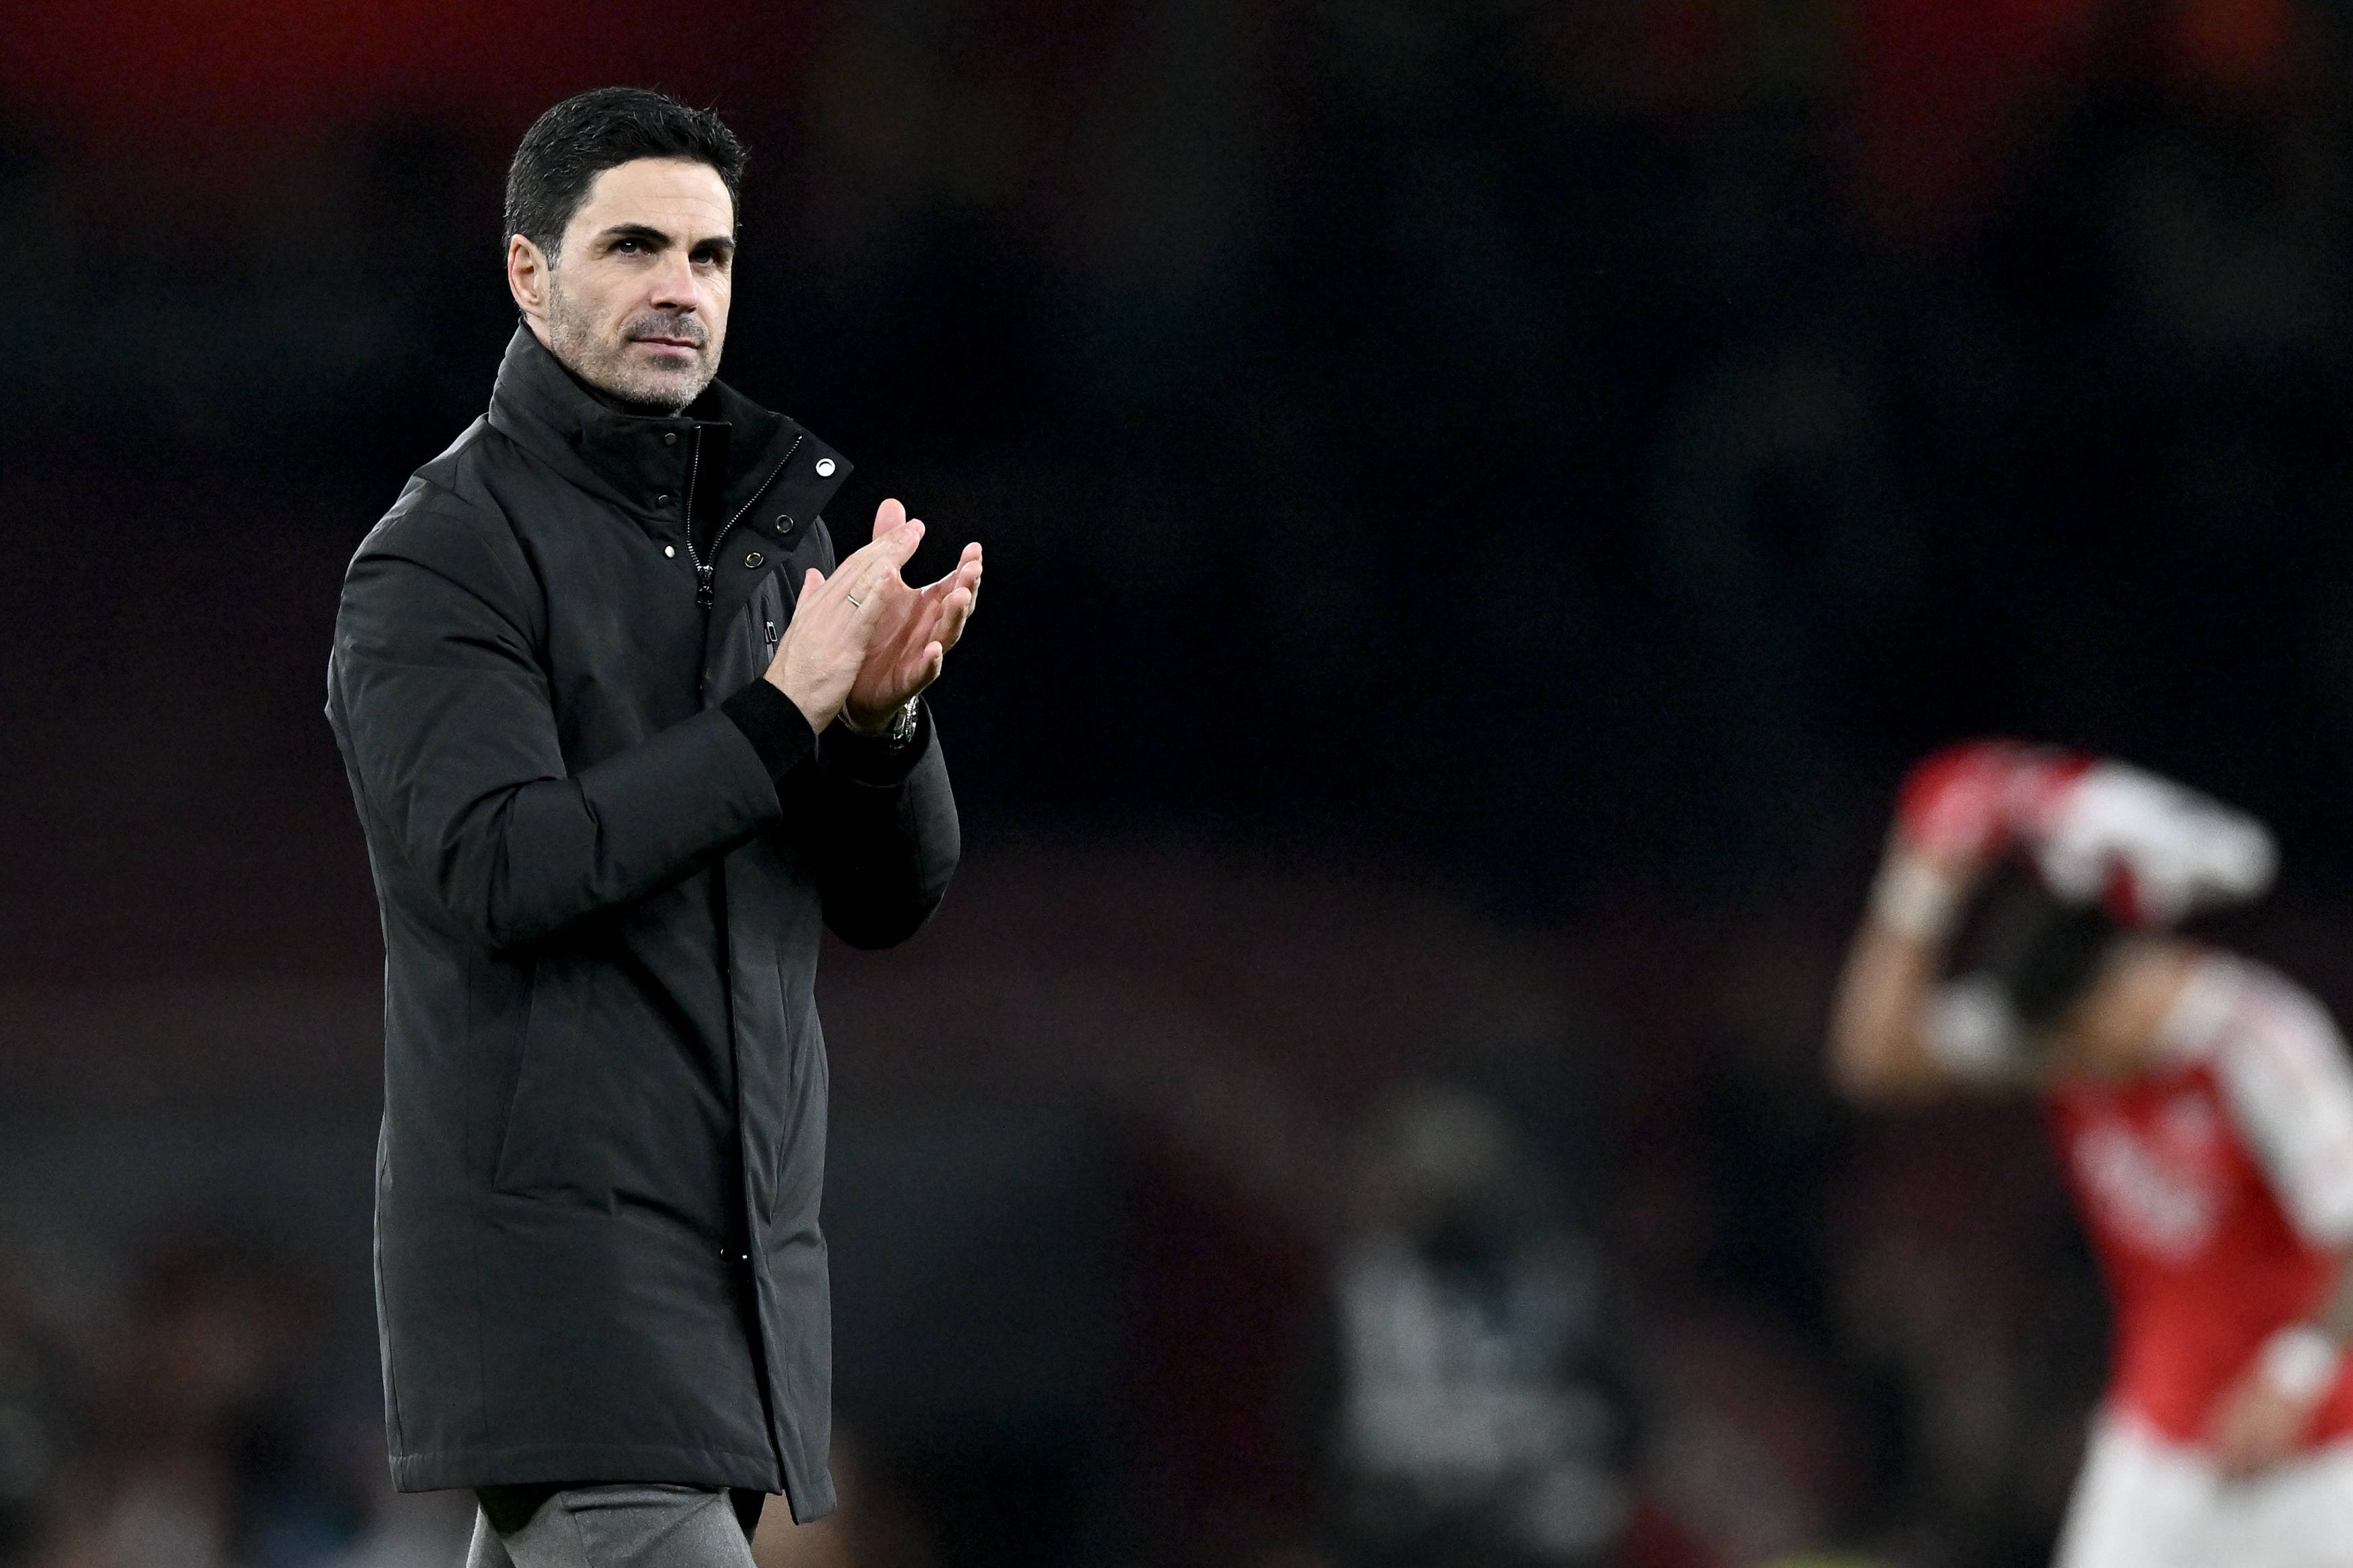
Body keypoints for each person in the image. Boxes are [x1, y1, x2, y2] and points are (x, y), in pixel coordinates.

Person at [324, 87, 982, 1568]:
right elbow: (501, 866)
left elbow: (888, 899)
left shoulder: (768, 543)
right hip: (568, 1298)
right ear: (528, 270)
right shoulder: (441, 556)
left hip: (739, 1276)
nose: (682, 288)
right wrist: (780, 713)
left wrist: (877, 725)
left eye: (711, 255)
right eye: (634, 246)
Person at [1830, 740, 2353, 1567]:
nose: (2064, 1067)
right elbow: (1872, 1058)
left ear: (2124, 983)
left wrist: (2292, 1375)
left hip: (2319, 1455)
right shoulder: (2061, 1036)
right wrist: (1923, 871)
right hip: (2154, 1449)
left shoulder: (2256, 1041)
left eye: (2076, 1043)